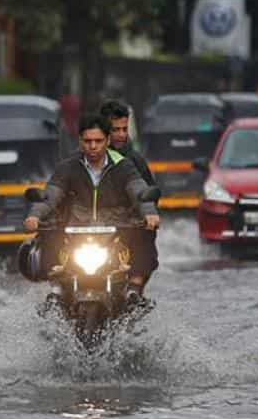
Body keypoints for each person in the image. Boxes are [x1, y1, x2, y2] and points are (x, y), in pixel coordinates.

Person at [24, 115, 160, 299]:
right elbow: (50, 196)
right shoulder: (68, 167)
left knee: (145, 233)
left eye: (98, 141)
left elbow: (139, 192)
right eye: (88, 141)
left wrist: (150, 214)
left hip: (117, 231)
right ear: (80, 141)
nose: (93, 146)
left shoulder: (124, 166)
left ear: (108, 141)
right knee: (48, 230)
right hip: (76, 231)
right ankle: (56, 289)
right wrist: (35, 216)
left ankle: (133, 290)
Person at [99, 100, 159, 293]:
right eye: (115, 129)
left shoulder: (134, 161)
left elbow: (147, 194)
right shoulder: (80, 158)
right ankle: (58, 292)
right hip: (90, 229)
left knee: (145, 236)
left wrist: (146, 214)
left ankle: (134, 286)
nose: (121, 134)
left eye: (124, 129)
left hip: (126, 229)